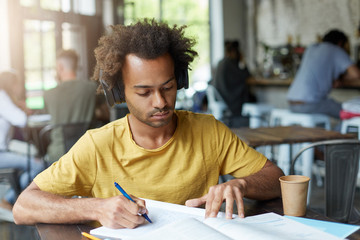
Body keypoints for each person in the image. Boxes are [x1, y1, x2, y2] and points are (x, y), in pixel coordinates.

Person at [13, 19, 284, 229]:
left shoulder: (209, 131)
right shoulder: (98, 145)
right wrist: (95, 208)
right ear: (119, 93)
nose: (160, 102)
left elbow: (276, 178)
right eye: (144, 92)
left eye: (168, 87)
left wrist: (241, 185)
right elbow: (23, 207)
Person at [287, 29, 360, 119]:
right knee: (349, 113)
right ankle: (339, 132)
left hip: (291, 103)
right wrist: (341, 80)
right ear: (340, 43)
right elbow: (356, 74)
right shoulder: (336, 50)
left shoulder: (311, 48)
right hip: (310, 103)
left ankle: (334, 131)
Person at [0, 71, 44, 210]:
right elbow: (21, 120)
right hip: (1, 154)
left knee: (37, 160)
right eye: (17, 84)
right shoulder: (2, 97)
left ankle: (15, 196)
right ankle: (8, 198)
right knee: (39, 165)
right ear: (11, 85)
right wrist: (22, 109)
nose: (20, 88)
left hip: (4, 150)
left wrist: (18, 106)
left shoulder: (4, 97)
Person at [43, 49, 97, 163]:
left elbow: (48, 116)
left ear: (60, 67)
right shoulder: (92, 88)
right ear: (76, 66)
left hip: (58, 154)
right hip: (87, 151)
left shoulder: (49, 94)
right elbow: (105, 113)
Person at [212, 40, 253, 116]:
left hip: (220, 96)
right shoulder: (228, 63)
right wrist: (243, 61)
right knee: (252, 97)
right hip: (227, 97)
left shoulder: (221, 62)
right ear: (235, 52)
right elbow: (245, 75)